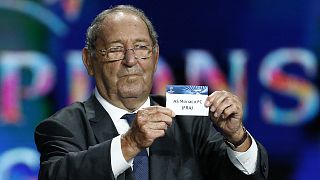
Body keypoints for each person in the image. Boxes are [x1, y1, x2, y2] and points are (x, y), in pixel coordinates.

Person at [34, 5, 268, 180]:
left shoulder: (191, 119)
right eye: (115, 49)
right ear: (89, 60)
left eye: (141, 48)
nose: (130, 60)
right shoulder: (62, 127)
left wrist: (237, 139)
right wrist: (131, 143)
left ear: (155, 57)